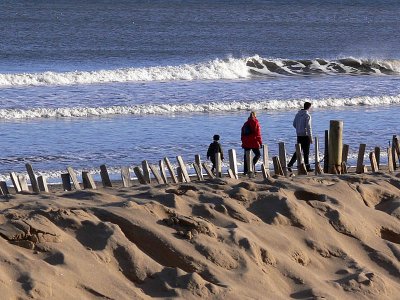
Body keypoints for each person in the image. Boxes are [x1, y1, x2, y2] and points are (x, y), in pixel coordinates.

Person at [287, 102, 313, 172]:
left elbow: (294, 124)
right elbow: (308, 127)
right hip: (305, 135)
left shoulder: (298, 114)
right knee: (306, 152)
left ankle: (290, 164)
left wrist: (299, 129)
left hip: (299, 135)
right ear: (309, 107)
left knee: (298, 151)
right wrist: (310, 137)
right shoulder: (307, 115)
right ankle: (307, 167)